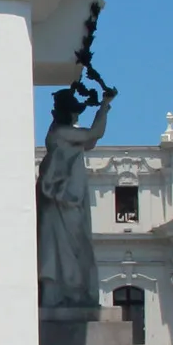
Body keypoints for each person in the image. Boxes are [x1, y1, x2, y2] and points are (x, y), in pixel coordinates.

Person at [36, 85, 116, 310]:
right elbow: (93, 134)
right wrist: (104, 105)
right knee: (63, 248)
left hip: (67, 199)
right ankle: (63, 293)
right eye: (75, 112)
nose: (76, 116)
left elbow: (89, 141)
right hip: (62, 199)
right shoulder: (61, 132)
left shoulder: (63, 132)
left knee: (73, 248)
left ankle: (71, 292)